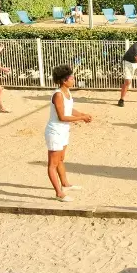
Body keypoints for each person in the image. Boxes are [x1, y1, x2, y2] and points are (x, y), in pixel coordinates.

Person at [45, 65, 92, 202]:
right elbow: (62, 117)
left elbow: (69, 109)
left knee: (60, 159)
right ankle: (59, 193)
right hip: (55, 131)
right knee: (53, 163)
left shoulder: (67, 93)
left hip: (63, 130)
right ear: (64, 80)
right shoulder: (58, 94)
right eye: (71, 78)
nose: (73, 79)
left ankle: (65, 184)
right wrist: (81, 118)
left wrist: (82, 114)